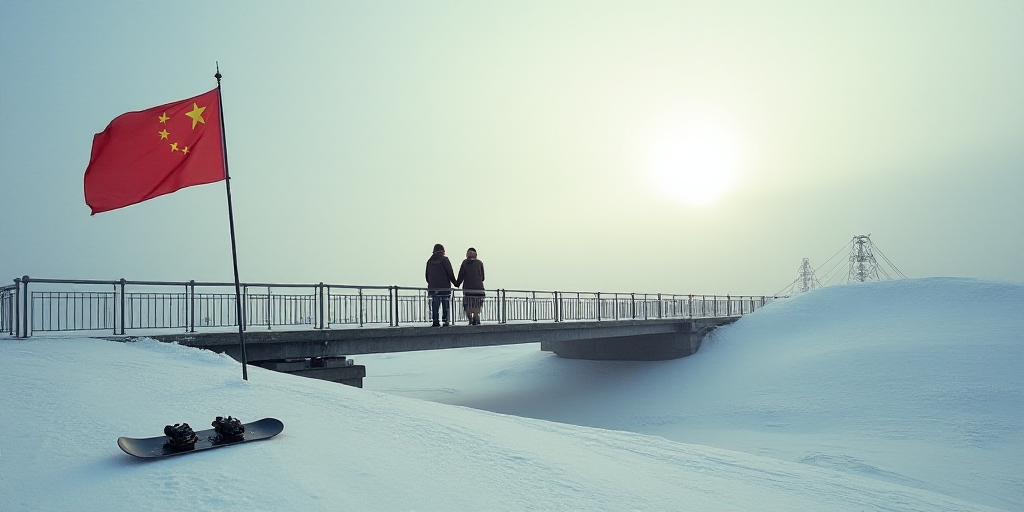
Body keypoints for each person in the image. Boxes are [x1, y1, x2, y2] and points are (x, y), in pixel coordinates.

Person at [425, 243, 457, 327]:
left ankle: (435, 320)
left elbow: (427, 275)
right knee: (445, 304)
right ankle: (445, 320)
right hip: (444, 288)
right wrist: (455, 283)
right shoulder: (444, 260)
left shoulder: (430, 261)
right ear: (443, 251)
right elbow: (450, 272)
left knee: (435, 305)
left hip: (433, 288)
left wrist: (431, 283)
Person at [455, 247, 485, 325]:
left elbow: (461, 275)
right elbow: (483, 277)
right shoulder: (479, 263)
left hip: (468, 289)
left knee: (467, 305)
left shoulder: (465, 263)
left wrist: (457, 283)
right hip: (479, 289)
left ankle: (470, 319)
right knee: (477, 305)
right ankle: (475, 317)